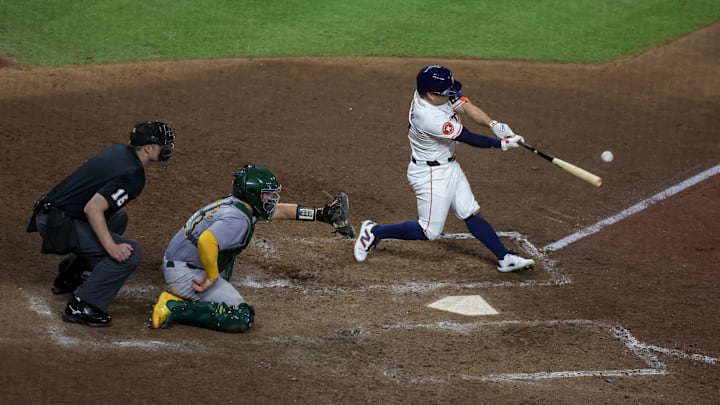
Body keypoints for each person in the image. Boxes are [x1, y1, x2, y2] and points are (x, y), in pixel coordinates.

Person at [354, 65, 535, 273]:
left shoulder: (431, 92)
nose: (451, 94)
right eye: (446, 92)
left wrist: (494, 125)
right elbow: (468, 137)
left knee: (470, 212)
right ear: (431, 95)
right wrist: (502, 144)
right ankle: (374, 231)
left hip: (449, 166)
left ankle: (505, 258)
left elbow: (465, 106)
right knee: (429, 230)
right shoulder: (428, 117)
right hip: (430, 174)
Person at [151, 164, 351, 333]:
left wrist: (319, 214)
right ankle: (173, 306)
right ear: (253, 195)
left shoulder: (238, 204)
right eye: (267, 195)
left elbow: (280, 211)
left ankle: (200, 291)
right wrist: (212, 277)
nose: (272, 199)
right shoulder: (238, 219)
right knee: (241, 316)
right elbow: (206, 241)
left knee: (227, 255)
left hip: (181, 261)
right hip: (184, 271)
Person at [27, 120, 176, 327]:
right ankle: (82, 305)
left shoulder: (119, 150)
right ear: (149, 148)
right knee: (130, 254)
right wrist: (112, 248)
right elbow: (93, 208)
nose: (167, 149)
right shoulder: (133, 174)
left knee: (117, 218)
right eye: (163, 145)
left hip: (50, 213)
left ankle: (68, 276)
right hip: (58, 224)